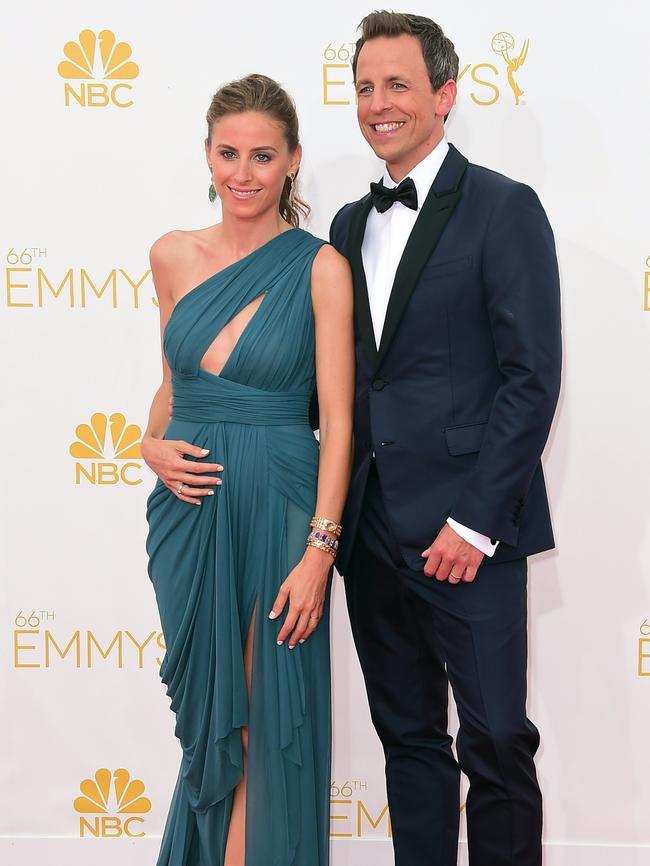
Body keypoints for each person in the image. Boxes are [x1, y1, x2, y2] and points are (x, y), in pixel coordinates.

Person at [329, 12, 561, 866]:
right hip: (374, 532)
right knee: (411, 746)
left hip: (469, 532)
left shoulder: (504, 207)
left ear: (444, 94)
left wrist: (474, 522)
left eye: (396, 84)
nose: (378, 103)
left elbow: (531, 377)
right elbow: (354, 381)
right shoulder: (348, 226)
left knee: (497, 742)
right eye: (363, 87)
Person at [142, 73, 354, 866]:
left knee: (267, 715)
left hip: (279, 501)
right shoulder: (171, 256)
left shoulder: (321, 268)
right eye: (229, 153)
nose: (243, 172)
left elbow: (337, 422)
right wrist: (145, 444)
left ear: (292, 161)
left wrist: (320, 551)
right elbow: (172, 386)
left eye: (263, 156)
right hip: (189, 506)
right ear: (206, 154)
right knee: (212, 719)